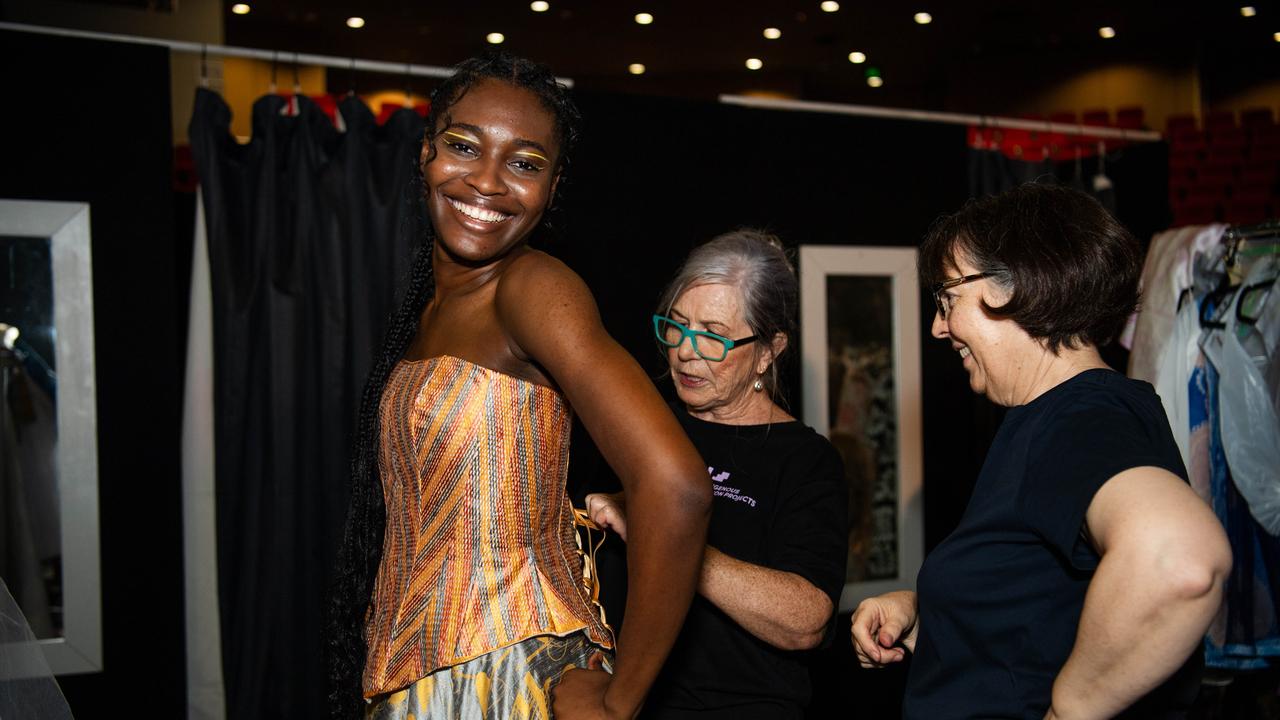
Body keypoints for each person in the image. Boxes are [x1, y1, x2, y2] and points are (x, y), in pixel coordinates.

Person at [325, 52, 711, 720]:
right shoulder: (434, 305)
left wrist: (620, 701)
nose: (487, 182)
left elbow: (675, 487)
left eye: (525, 163)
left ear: (554, 184)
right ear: (425, 154)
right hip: (421, 680)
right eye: (464, 146)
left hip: (501, 679)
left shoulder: (534, 288)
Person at [850, 183, 1232, 719]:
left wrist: (1072, 708)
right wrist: (929, 615)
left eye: (947, 299)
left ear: (1017, 286)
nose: (939, 326)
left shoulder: (1080, 417)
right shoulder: (1065, 414)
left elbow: (1178, 560)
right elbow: (1047, 607)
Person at [587, 230, 848, 719]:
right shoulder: (645, 427)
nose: (686, 351)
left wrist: (664, 538)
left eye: (711, 335)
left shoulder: (806, 461)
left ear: (768, 351)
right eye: (677, 327)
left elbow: (806, 620)